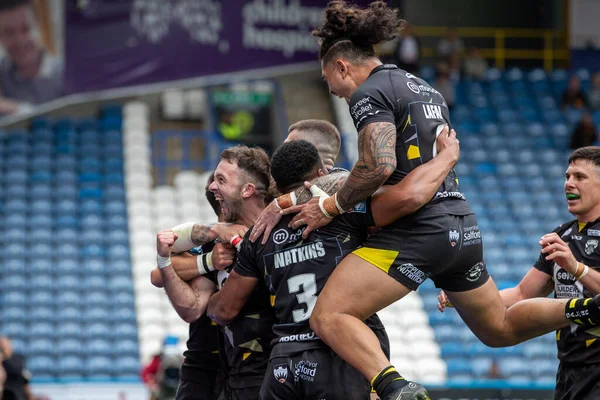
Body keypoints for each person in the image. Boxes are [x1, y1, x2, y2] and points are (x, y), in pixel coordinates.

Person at [258, 3, 600, 400]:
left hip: (419, 228)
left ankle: (395, 388)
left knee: (329, 315)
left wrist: (328, 207)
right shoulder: (424, 86)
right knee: (498, 328)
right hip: (461, 223)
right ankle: (585, 309)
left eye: (328, 79)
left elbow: (378, 165)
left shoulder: (368, 92)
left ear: (341, 66)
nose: (331, 89)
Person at [207, 131, 460, 400]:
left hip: (284, 361)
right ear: (319, 172)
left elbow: (224, 310)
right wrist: (447, 156)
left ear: (277, 186)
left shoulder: (259, 235)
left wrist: (206, 297)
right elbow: (409, 203)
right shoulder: (343, 212)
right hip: (340, 352)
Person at [438, 146, 600, 400]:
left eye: (580, 177)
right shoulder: (562, 235)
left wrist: (576, 267)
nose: (569, 183)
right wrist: (462, 297)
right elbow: (522, 293)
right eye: (567, 176)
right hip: (569, 370)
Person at [156, 146, 275, 400]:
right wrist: (209, 258)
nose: (213, 187)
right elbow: (159, 273)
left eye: (221, 181)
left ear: (247, 190)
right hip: (213, 368)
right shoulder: (215, 243)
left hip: (271, 368)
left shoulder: (275, 234)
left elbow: (221, 309)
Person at [0, 0, 63, 115]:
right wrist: (16, 108)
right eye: (9, 32)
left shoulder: (64, 73)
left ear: (39, 27)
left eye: (26, 29)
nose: (20, 41)